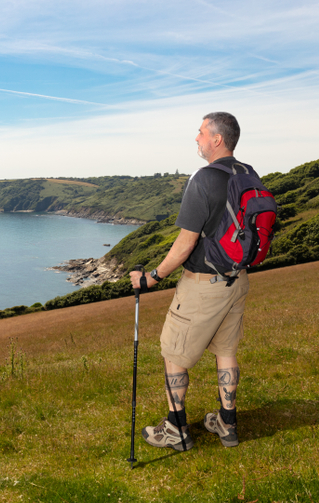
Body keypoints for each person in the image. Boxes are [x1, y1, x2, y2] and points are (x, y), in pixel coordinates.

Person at [130, 112, 253, 451]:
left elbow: (185, 244)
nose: (196, 139)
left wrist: (152, 277)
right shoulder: (248, 174)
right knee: (226, 350)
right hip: (237, 278)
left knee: (174, 351)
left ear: (217, 139)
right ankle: (227, 424)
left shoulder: (203, 178)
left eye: (200, 133)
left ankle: (176, 429)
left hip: (203, 285)